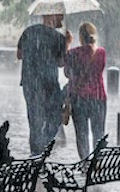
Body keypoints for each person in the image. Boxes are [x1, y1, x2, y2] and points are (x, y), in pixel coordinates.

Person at [17, 13, 71, 155]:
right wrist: (67, 45)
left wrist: (34, 53)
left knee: (34, 121)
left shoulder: (28, 32)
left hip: (30, 82)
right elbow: (61, 63)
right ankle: (43, 145)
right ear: (51, 17)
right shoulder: (58, 37)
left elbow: (19, 55)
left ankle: (35, 153)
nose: (61, 20)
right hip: (49, 84)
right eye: (59, 18)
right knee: (54, 118)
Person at [65, 22, 107, 159]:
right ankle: (98, 163)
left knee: (82, 135)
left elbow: (67, 73)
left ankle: (84, 163)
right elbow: (98, 71)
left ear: (80, 37)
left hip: (79, 99)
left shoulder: (73, 53)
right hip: (98, 98)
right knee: (99, 133)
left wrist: (67, 44)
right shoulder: (101, 53)